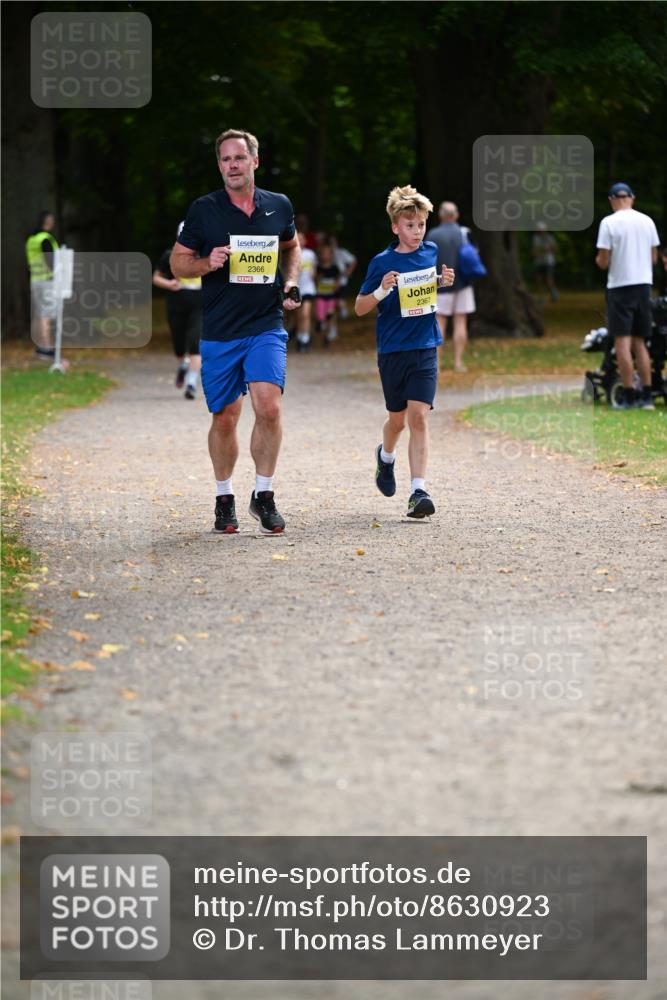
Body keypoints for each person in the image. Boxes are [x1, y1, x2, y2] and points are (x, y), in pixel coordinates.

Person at [170, 129, 301, 533]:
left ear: (254, 161)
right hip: (221, 330)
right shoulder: (203, 211)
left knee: (269, 406)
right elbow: (178, 264)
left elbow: (291, 246)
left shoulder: (278, 206)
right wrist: (208, 262)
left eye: (239, 158)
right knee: (226, 416)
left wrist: (291, 283)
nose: (232, 166)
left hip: (265, 324)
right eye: (225, 159)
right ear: (219, 165)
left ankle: (264, 495)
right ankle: (223, 498)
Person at [355, 185, 454, 519]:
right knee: (397, 420)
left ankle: (418, 491)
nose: (417, 231)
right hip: (393, 349)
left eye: (421, 225)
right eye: (410, 226)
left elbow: (422, 289)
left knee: (419, 416)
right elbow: (359, 307)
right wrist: (382, 290)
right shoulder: (382, 262)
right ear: (395, 226)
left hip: (426, 345)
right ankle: (385, 457)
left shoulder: (431, 251)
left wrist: (440, 281)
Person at [595, 182, 660, 411]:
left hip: (620, 287)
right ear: (631, 198)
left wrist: (601, 261)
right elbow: (653, 258)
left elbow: (603, 261)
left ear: (613, 200)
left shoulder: (608, 223)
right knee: (640, 341)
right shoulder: (647, 221)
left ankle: (629, 393)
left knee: (622, 341)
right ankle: (647, 395)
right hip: (643, 286)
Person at [153, 222, 202, 399]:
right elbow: (156, 278)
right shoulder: (170, 255)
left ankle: (191, 383)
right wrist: (169, 284)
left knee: (196, 344)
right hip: (176, 304)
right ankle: (183, 365)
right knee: (179, 345)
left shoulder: (206, 256)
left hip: (199, 305)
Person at [426, 201, 475, 372]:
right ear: (456, 215)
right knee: (460, 321)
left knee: (439, 322)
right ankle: (458, 362)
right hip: (463, 283)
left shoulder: (432, 234)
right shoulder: (464, 233)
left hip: (440, 284)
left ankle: (437, 365)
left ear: (441, 215)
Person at [25, 210, 59, 361]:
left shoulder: (31, 239)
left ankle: (40, 347)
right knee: (46, 315)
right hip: (47, 280)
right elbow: (51, 261)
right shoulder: (45, 239)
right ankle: (47, 348)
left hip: (35, 280)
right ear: (48, 221)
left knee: (39, 315)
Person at [315, 239, 342, 346]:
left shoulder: (335, 268)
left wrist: (337, 286)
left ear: (331, 255)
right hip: (320, 296)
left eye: (328, 253)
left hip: (331, 297)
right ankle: (321, 328)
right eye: (323, 253)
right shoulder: (318, 268)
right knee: (321, 317)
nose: (325, 256)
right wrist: (317, 278)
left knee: (330, 316)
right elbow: (315, 280)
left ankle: (327, 337)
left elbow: (338, 281)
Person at [294, 231, 317, 352]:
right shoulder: (292, 254)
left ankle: (306, 339)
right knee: (298, 316)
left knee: (306, 314)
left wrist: (314, 275)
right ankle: (299, 337)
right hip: (296, 289)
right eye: (297, 239)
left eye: (302, 239)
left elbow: (314, 270)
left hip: (308, 288)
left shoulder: (310, 254)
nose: (300, 241)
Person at [331, 235, 357, 319]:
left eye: (333, 242)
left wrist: (349, 271)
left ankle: (343, 314)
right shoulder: (324, 253)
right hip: (329, 282)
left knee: (340, 302)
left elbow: (353, 260)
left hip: (342, 281)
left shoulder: (341, 252)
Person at [532, 221, 559, 302]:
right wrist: (535, 253)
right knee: (538, 280)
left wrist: (547, 249)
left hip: (549, 262)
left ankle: (554, 294)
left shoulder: (549, 237)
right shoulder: (535, 238)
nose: (540, 232)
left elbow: (555, 248)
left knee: (549, 280)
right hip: (539, 262)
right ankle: (541, 297)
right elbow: (534, 250)